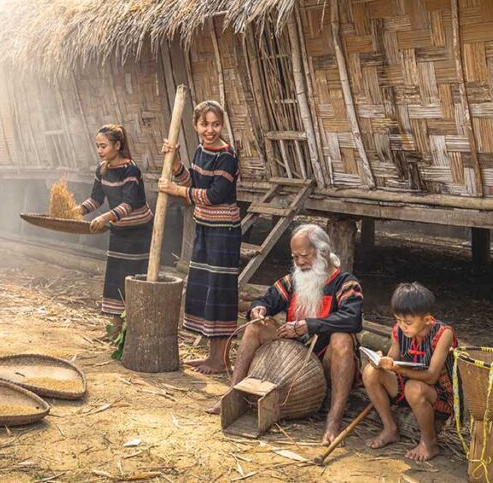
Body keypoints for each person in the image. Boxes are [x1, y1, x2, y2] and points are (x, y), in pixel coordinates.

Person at [224, 224, 363, 445]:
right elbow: (265, 300)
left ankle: (333, 420)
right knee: (255, 327)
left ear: (323, 253)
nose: (299, 262)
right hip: (290, 361)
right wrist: (258, 310)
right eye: (295, 257)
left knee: (342, 339)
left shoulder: (345, 283)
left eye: (304, 256)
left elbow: (352, 319)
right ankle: (232, 397)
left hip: (326, 361)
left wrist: (308, 325)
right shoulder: (291, 281)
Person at [158, 100, 240, 374]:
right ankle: (211, 357)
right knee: (205, 288)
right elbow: (192, 182)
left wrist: (175, 191)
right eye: (205, 124)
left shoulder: (227, 156)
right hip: (205, 227)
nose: (210, 130)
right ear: (195, 125)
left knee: (220, 291)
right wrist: (177, 161)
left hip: (224, 232)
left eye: (216, 124)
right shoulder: (201, 151)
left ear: (222, 125)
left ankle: (221, 359)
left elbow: (214, 196)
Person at [363, 282, 458, 462]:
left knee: (414, 388)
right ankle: (389, 428)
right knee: (370, 372)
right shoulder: (398, 331)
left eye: (407, 322)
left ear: (428, 320)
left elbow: (431, 376)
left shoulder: (443, 334)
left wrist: (399, 369)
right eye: (398, 320)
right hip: (406, 387)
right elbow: (391, 360)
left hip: (439, 396)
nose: (402, 326)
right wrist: (379, 362)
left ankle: (429, 442)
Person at [78, 125, 154, 339]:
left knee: (134, 278)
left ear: (118, 145)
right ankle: (114, 331)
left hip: (139, 231)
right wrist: (77, 210)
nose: (100, 150)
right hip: (119, 230)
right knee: (115, 277)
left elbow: (129, 203)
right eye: (97, 146)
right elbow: (96, 199)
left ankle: (135, 331)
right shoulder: (102, 170)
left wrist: (104, 217)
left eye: (103, 146)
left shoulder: (131, 170)